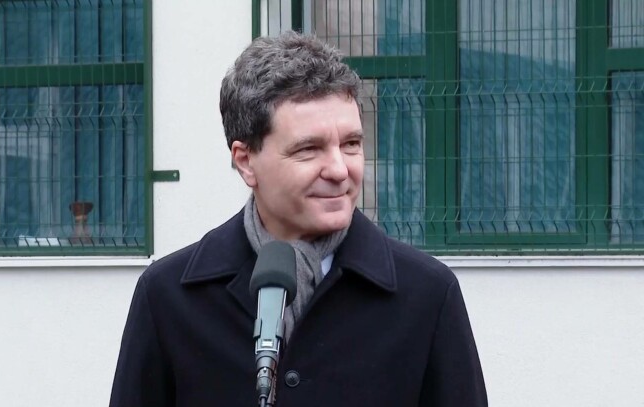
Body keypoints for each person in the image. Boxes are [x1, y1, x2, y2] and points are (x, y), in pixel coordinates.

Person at [109, 31, 487, 407]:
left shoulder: (427, 296)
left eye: (351, 144)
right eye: (309, 149)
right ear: (246, 161)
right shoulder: (169, 298)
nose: (339, 170)